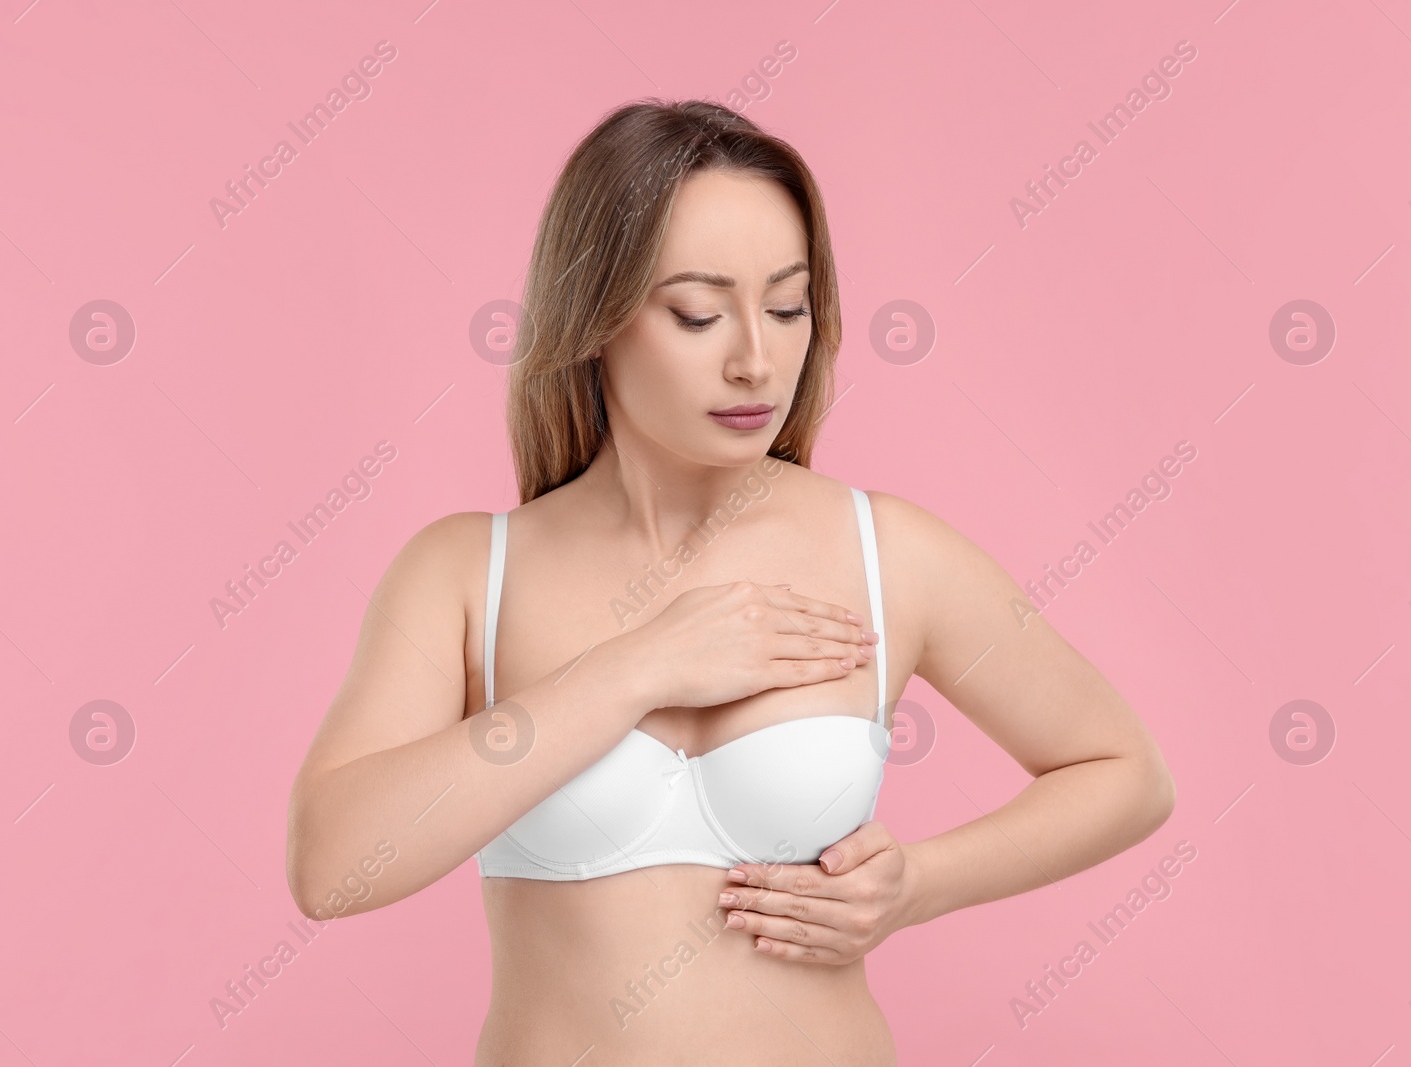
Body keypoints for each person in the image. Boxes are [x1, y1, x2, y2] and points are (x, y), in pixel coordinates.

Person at [286, 98, 1175, 1065]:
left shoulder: (888, 552)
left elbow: (1126, 774)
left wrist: (918, 883)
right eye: (699, 313)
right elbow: (333, 866)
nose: (757, 358)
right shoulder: (466, 572)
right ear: (595, 315)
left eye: (788, 306)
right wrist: (635, 667)